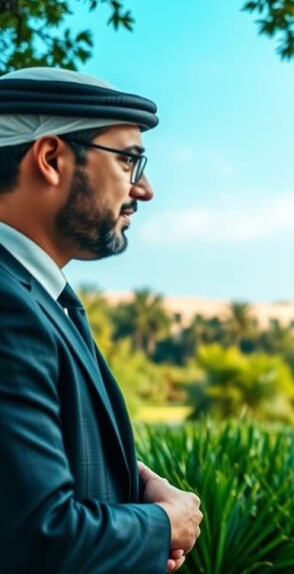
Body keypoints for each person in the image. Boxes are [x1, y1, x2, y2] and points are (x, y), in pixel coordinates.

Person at [0, 67, 203, 573]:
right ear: (50, 159)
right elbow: (41, 537)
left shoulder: (41, 297)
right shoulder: (9, 307)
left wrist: (129, 480)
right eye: (130, 161)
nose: (145, 189)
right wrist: (163, 526)